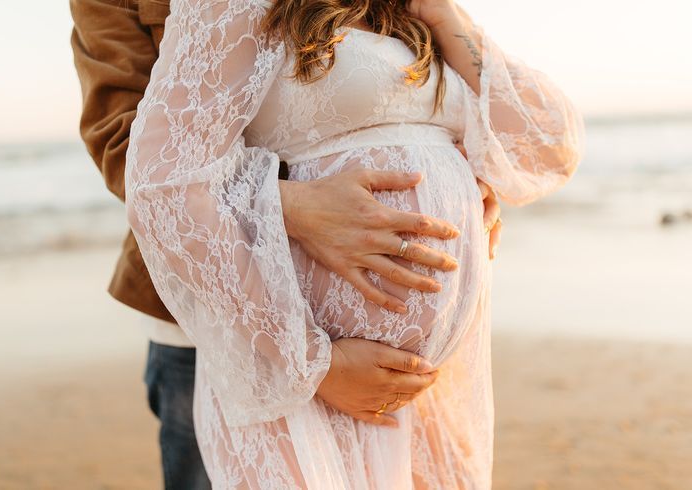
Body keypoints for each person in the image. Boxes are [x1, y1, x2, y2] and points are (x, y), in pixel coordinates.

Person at [123, 0, 584, 486]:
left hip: (432, 387)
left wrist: (450, 21)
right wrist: (314, 366)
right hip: (310, 381)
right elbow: (164, 184)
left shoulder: (411, 13)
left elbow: (550, 146)